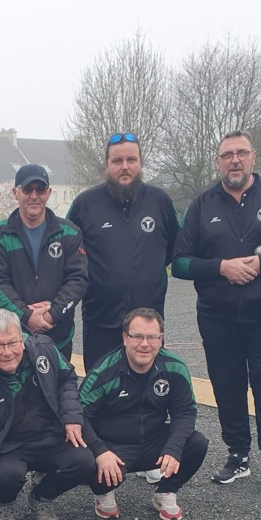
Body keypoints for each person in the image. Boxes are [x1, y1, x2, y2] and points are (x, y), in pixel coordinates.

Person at [172, 131, 261, 493]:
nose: (235, 160)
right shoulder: (201, 205)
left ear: (253, 157)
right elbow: (180, 263)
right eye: (227, 155)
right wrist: (221, 267)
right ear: (217, 162)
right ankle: (238, 455)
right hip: (217, 318)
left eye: (241, 153)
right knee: (227, 387)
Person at [0, 309, 97, 520]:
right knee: (5, 476)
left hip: (50, 438)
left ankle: (40, 496)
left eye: (12, 342)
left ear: (22, 339)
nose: (7, 351)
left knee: (85, 461)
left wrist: (71, 416)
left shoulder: (44, 349)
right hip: (11, 448)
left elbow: (66, 378)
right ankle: (6, 503)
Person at [80, 308, 208, 520]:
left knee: (197, 443)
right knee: (84, 459)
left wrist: (173, 448)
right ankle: (103, 494)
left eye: (152, 337)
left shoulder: (175, 367)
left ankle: (166, 492)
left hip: (152, 442)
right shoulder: (104, 371)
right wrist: (100, 451)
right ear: (125, 338)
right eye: (137, 336)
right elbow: (79, 416)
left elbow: (185, 412)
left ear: (161, 339)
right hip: (113, 446)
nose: (145, 344)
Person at [67, 132, 179, 370]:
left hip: (148, 325)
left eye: (131, 160)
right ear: (107, 165)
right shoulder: (84, 205)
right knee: (100, 388)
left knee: (149, 387)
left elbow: (171, 250)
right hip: (101, 322)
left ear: (140, 163)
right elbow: (69, 255)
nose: (124, 167)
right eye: (117, 161)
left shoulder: (160, 202)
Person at [0, 164, 88, 360]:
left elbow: (78, 279)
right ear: (15, 192)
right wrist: (25, 316)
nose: (34, 196)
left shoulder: (70, 233)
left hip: (59, 338)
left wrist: (52, 314)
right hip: (14, 340)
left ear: (48, 193)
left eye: (40, 189)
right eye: (27, 189)